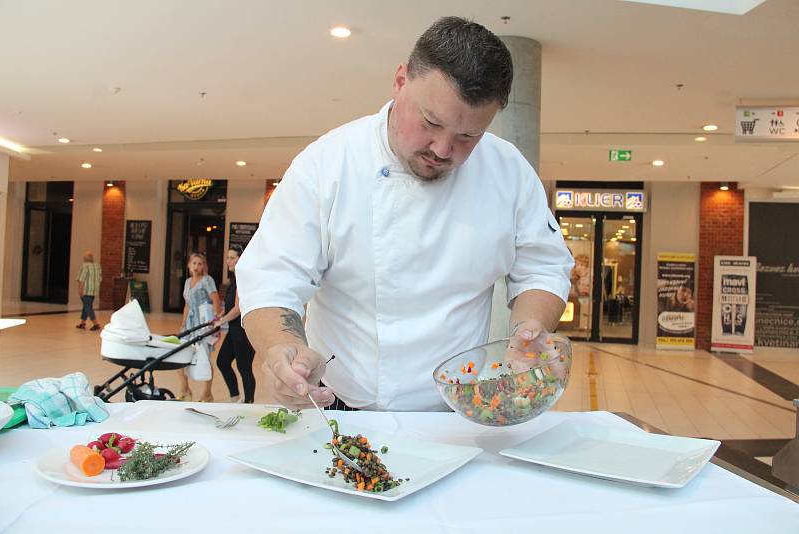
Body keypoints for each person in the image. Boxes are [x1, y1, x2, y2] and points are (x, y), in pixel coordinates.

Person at [236, 17, 574, 412]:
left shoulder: (508, 171)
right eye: (431, 122)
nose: (444, 149)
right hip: (339, 402)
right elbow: (273, 277)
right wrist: (285, 350)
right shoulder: (328, 163)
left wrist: (528, 329)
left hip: (458, 409)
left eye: (469, 136)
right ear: (400, 81)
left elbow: (543, 267)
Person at [213, 244, 257, 403]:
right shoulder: (234, 279)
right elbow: (231, 306)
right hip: (233, 331)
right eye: (227, 258)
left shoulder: (243, 279)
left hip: (244, 332)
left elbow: (239, 308)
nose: (228, 261)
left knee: (244, 368)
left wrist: (222, 321)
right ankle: (235, 397)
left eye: (232, 258)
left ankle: (249, 402)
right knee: (222, 361)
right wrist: (221, 315)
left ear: (241, 258)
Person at [177, 252, 221, 402]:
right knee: (180, 355)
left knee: (204, 358)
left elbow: (215, 299)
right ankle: (185, 389)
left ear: (204, 266)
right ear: (189, 265)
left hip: (203, 323)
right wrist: (182, 325)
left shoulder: (207, 280)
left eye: (200, 264)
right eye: (194, 263)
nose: (196, 266)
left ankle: (207, 394)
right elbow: (187, 305)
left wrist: (216, 322)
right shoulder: (187, 282)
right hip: (189, 325)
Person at [76, 251, 102, 331]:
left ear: (85, 258)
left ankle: (96, 324)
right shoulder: (97, 266)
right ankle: (82, 323)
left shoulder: (85, 266)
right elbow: (100, 278)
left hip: (86, 290)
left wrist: (80, 290)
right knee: (86, 306)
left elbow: (81, 279)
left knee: (88, 307)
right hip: (94, 290)